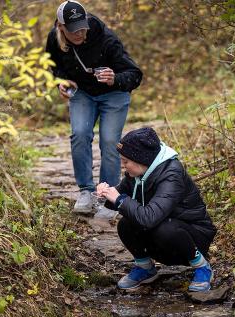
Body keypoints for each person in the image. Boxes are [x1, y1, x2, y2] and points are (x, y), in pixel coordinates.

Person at [46, 1, 142, 218]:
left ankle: (107, 195)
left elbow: (135, 75)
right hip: (82, 93)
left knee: (109, 141)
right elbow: (51, 66)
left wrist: (114, 78)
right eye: (73, 30)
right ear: (61, 27)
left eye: (82, 26)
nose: (80, 33)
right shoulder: (54, 39)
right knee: (79, 134)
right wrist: (59, 82)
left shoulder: (106, 39)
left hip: (114, 94)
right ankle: (86, 192)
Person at [97, 127, 217, 291]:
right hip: (162, 233)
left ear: (140, 160)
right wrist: (107, 193)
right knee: (125, 224)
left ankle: (202, 267)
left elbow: (149, 218)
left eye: (125, 161)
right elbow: (122, 195)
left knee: (165, 229)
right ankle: (145, 268)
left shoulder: (172, 174)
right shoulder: (139, 172)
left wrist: (119, 199)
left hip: (192, 235)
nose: (123, 166)